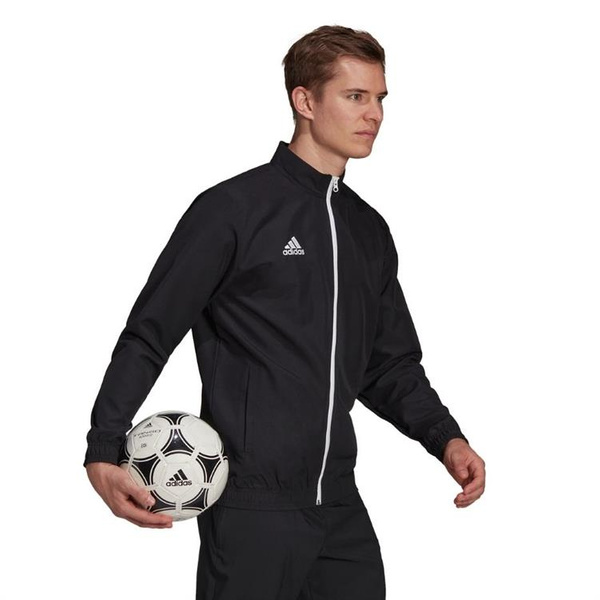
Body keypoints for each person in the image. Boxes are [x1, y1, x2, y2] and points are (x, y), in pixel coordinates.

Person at [85, 24, 486, 599]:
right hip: (252, 508)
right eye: (355, 96)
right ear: (305, 101)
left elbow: (389, 365)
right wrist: (104, 447)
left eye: (379, 98)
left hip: (338, 506)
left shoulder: (368, 231)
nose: (374, 113)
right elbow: (151, 332)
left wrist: (446, 438)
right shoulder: (231, 210)